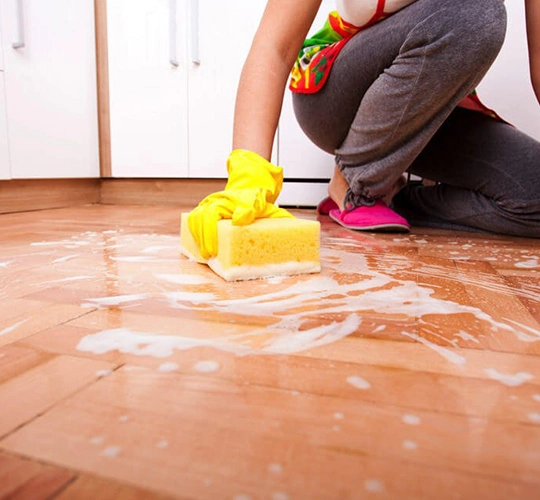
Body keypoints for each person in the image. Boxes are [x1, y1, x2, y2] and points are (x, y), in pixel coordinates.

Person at [188, 0, 540, 259]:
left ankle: (395, 199)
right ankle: (355, 182)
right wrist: (248, 174)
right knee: (476, 10)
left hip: (428, 106)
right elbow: (274, 48)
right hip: (335, 98)